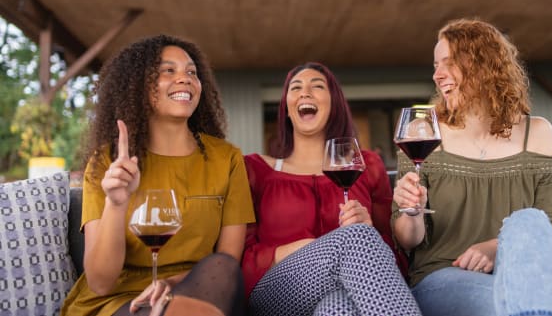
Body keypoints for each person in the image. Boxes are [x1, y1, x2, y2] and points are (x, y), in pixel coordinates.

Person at [61, 35, 255, 316]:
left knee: (221, 269)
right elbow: (100, 282)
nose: (185, 78)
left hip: (197, 289)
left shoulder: (227, 159)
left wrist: (171, 282)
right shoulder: (108, 162)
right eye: (168, 71)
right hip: (121, 302)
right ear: (139, 86)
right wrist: (116, 204)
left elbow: (226, 260)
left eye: (192, 72)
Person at [392, 18, 552, 316]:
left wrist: (496, 247)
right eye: (435, 65)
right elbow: (409, 240)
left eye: (448, 62)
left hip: (521, 273)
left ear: (483, 63)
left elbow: (548, 227)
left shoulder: (538, 133)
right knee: (509, 302)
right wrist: (412, 210)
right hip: (442, 277)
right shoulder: (423, 133)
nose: (437, 75)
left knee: (530, 221)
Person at [242, 62, 421, 315]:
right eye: (296, 88)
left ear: (333, 103)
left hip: (345, 286)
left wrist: (369, 227)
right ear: (286, 109)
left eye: (317, 86)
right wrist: (302, 247)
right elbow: (242, 256)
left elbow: (393, 250)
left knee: (338, 307)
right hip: (277, 291)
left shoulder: (366, 164)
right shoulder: (255, 169)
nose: (305, 92)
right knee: (355, 237)